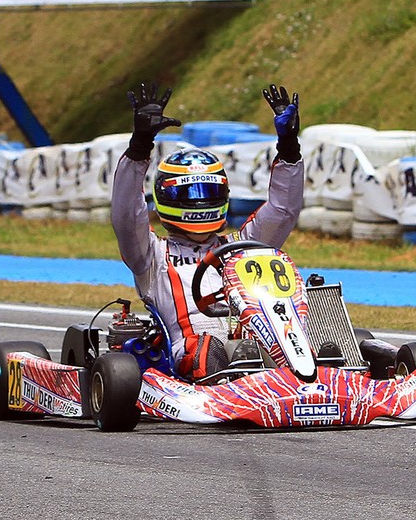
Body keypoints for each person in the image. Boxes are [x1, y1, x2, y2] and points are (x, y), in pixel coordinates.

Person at [111, 83, 304, 381]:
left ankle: (307, 367)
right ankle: (242, 374)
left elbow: (283, 210)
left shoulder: (244, 247)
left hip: (260, 344)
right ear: (166, 197)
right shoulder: (152, 257)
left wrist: (289, 148)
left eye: (209, 191)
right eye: (190, 193)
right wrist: (139, 148)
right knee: (210, 349)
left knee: (299, 337)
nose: (200, 201)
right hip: (191, 355)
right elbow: (126, 216)